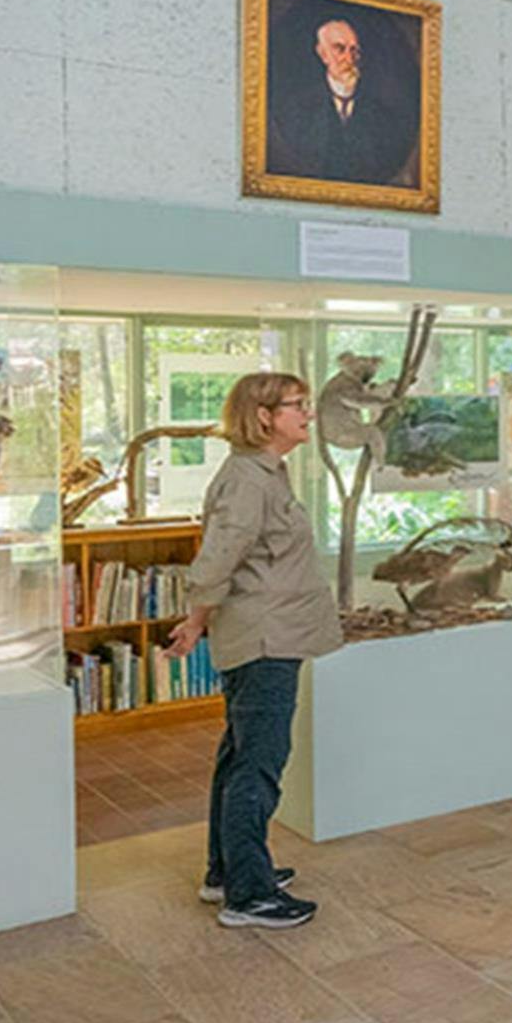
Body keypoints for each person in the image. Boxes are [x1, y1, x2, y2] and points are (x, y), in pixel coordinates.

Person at [167, 373, 343, 930]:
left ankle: (227, 871)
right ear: (264, 415)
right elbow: (219, 557)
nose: (308, 416)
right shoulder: (248, 479)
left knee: (239, 755)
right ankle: (249, 894)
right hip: (265, 638)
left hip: (270, 632)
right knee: (258, 765)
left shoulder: (265, 472)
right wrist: (195, 621)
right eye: (297, 406)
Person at [267, 15, 418, 189]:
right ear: (323, 54)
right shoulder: (296, 109)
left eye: (354, 50)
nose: (349, 58)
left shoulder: (381, 115)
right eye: (339, 48)